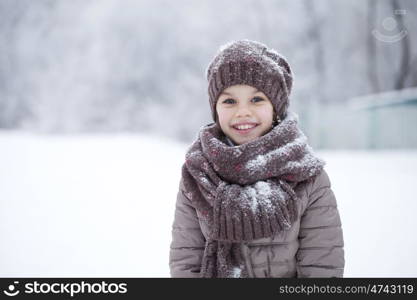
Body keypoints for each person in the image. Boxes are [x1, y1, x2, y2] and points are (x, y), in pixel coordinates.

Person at [169, 39, 345, 278]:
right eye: (229, 101)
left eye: (257, 99)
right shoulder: (198, 173)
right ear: (216, 109)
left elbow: (322, 268)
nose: (243, 111)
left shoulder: (307, 175)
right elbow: (186, 262)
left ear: (276, 108)